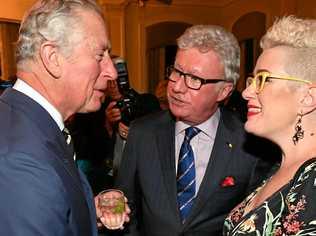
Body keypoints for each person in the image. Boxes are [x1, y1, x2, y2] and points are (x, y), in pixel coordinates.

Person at [102, 25, 276, 235]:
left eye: (194, 79)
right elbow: (125, 207)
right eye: (176, 71)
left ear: (224, 90)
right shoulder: (142, 132)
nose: (176, 87)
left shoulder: (250, 145)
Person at [0, 0, 119, 235]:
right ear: (53, 57)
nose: (111, 72)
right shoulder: (22, 161)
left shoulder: (29, 123)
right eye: (100, 55)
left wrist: (84, 211)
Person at [223, 16, 316, 235]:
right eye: (251, 80)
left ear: (307, 97)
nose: (246, 93)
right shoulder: (275, 168)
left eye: (263, 79)